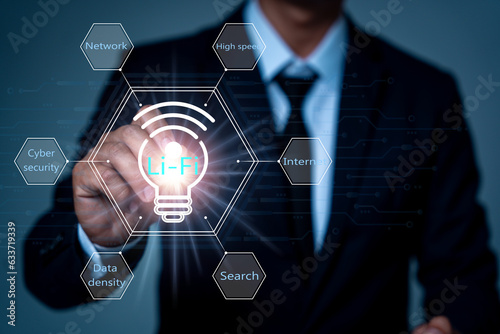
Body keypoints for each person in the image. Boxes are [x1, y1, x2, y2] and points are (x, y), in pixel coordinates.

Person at [25, 0, 500, 333]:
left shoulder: (425, 93)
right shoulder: (157, 73)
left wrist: (450, 325)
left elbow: (465, 273)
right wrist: (101, 243)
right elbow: (47, 272)